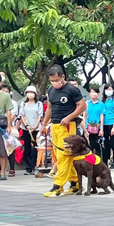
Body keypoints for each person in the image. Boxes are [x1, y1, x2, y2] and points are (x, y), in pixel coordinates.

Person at [41, 65, 86, 196]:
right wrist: (44, 125)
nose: (54, 83)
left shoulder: (72, 90)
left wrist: (69, 117)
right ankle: (75, 183)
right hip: (55, 125)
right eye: (52, 81)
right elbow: (49, 108)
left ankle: (58, 185)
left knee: (64, 156)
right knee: (61, 155)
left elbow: (82, 106)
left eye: (56, 80)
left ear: (63, 77)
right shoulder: (51, 90)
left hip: (68, 125)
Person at [18, 88, 43, 174]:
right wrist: (27, 126)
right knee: (27, 148)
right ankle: (28, 167)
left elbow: (40, 115)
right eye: (28, 92)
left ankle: (35, 165)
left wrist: (35, 126)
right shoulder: (23, 104)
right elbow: (21, 115)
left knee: (36, 147)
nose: (30, 94)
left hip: (37, 128)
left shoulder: (39, 104)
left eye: (32, 92)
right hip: (26, 128)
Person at [102, 85, 114, 167]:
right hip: (104, 124)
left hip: (112, 123)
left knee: (113, 143)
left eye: (110, 89)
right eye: (106, 89)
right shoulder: (103, 101)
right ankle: (105, 161)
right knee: (106, 144)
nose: (108, 91)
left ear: (113, 90)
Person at [84, 87, 105, 157]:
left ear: (98, 94)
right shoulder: (87, 103)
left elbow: (101, 117)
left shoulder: (101, 104)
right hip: (88, 127)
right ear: (89, 94)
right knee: (89, 145)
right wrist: (85, 128)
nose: (93, 94)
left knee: (97, 145)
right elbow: (84, 116)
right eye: (92, 92)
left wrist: (101, 129)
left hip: (97, 127)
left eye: (95, 92)